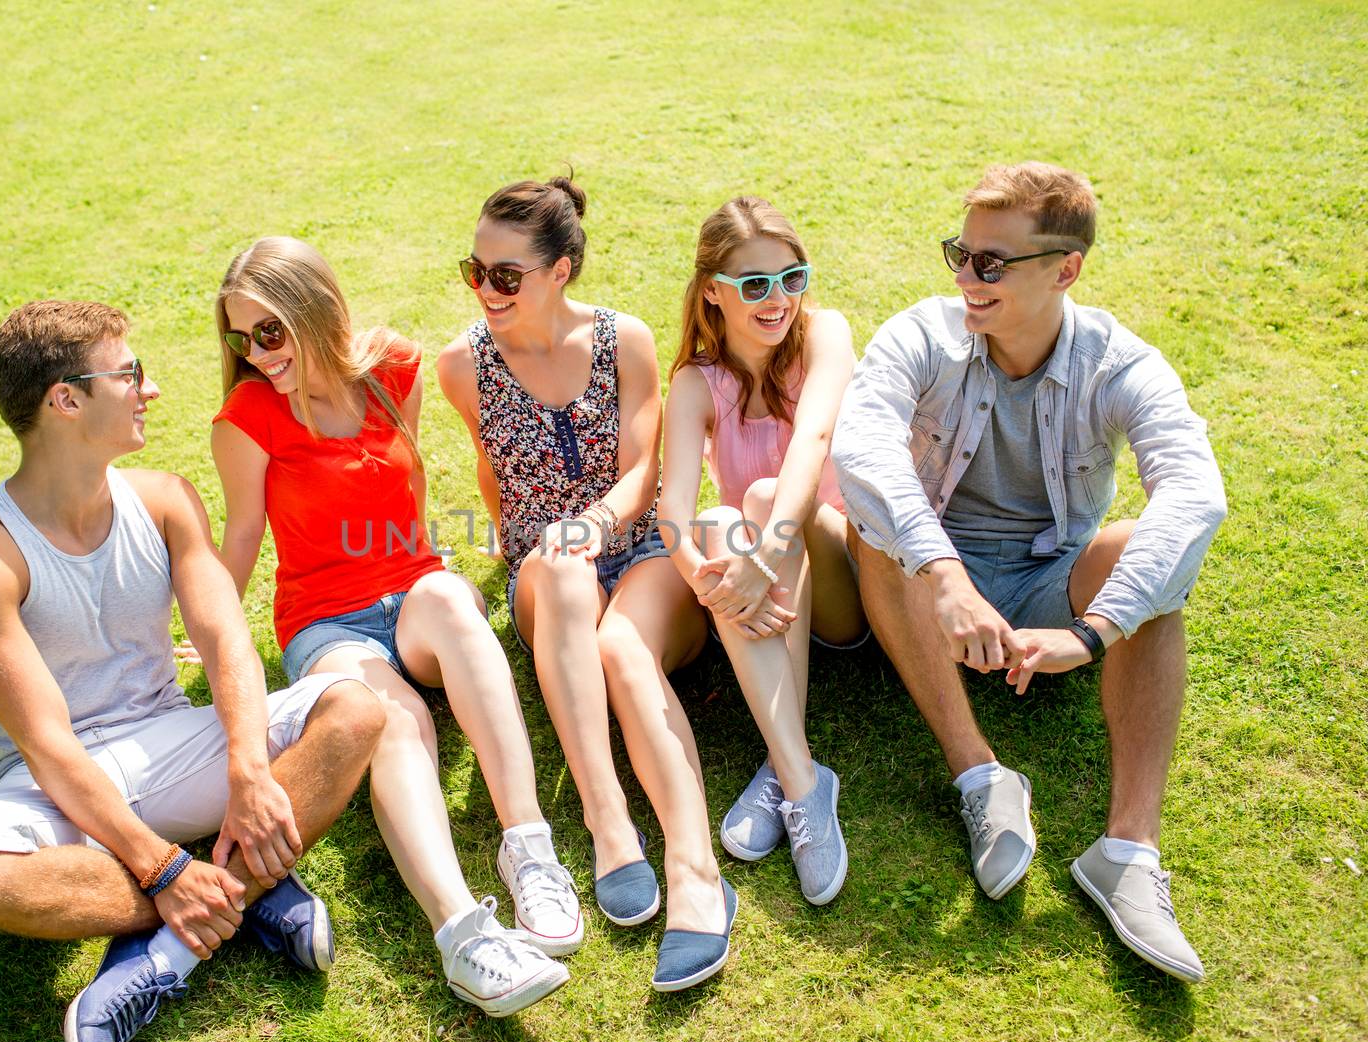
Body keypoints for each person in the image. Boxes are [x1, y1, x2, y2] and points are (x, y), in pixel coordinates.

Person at [0, 300, 387, 1042]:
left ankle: (166, 950)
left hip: (173, 744)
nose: (152, 387)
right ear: (65, 400)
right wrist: (162, 866)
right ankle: (242, 891)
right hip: (54, 783)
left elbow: (224, 637)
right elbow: (44, 742)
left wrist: (244, 761)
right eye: (130, 372)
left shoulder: (165, 498)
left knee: (354, 708)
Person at [831, 163, 1227, 982]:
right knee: (877, 523)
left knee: (1142, 552)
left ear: (1065, 269)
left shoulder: (1121, 362)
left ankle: (1127, 849)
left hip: (1054, 585)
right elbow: (863, 445)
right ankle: (980, 772)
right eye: (961, 254)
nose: (966, 279)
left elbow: (1194, 491)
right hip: (927, 584)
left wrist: (1094, 632)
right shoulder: (923, 333)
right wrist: (944, 573)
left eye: (992, 263)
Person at [207, 237, 574, 1017]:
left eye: (269, 330)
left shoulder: (393, 368)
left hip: (411, 591)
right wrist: (212, 635)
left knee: (448, 602)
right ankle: (463, 935)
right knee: (395, 722)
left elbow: (410, 481)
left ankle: (530, 849)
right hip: (322, 619)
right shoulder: (246, 417)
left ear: (315, 307)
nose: (257, 353)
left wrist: (437, 573)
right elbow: (241, 534)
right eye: (241, 338)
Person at [438, 175, 733, 992]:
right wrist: (523, 547)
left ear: (561, 269)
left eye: (507, 275)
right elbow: (489, 469)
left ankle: (694, 865)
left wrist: (594, 524)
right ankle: (610, 828)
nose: (486, 290)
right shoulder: (462, 365)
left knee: (618, 642)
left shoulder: (624, 340)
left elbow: (646, 467)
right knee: (564, 580)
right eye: (476, 271)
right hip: (549, 572)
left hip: (638, 548)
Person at [657, 196, 866, 907]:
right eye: (754, 284)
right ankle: (801, 779)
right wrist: (708, 578)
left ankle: (782, 767)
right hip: (765, 597)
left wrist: (764, 546)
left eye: (791, 277)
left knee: (758, 500)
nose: (777, 299)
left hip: (844, 575)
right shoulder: (695, 382)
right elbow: (673, 514)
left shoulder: (825, 335)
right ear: (713, 290)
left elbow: (811, 445)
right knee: (716, 523)